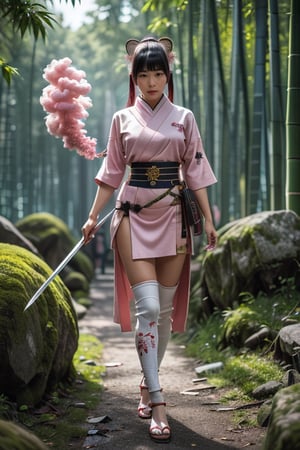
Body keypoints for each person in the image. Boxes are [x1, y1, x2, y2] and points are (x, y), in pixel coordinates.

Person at [81, 36, 218, 444]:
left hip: (175, 217)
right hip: (131, 217)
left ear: (168, 73)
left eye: (159, 73)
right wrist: (91, 217)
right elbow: (111, 173)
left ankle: (146, 381)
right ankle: (158, 401)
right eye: (144, 74)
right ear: (134, 75)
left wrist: (209, 221)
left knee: (163, 313)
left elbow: (196, 171)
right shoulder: (122, 119)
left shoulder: (185, 118)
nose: (152, 81)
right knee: (149, 305)